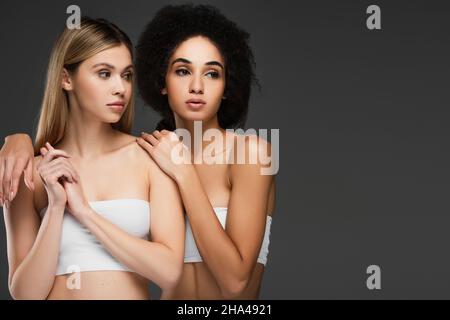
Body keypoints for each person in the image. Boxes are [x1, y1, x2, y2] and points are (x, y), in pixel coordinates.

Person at [1, 17, 184, 299]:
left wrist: (85, 213)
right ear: (66, 78)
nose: (120, 88)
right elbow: (26, 294)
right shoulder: (32, 171)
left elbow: (169, 273)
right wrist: (56, 207)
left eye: (126, 75)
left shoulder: (151, 157)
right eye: (104, 73)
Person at [134, 4, 276, 299]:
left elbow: (235, 283)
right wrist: (17, 142)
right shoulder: (152, 154)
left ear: (226, 86)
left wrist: (184, 173)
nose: (197, 86)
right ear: (162, 82)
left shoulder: (251, 153)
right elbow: (81, 153)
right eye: (183, 71)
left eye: (212, 74)